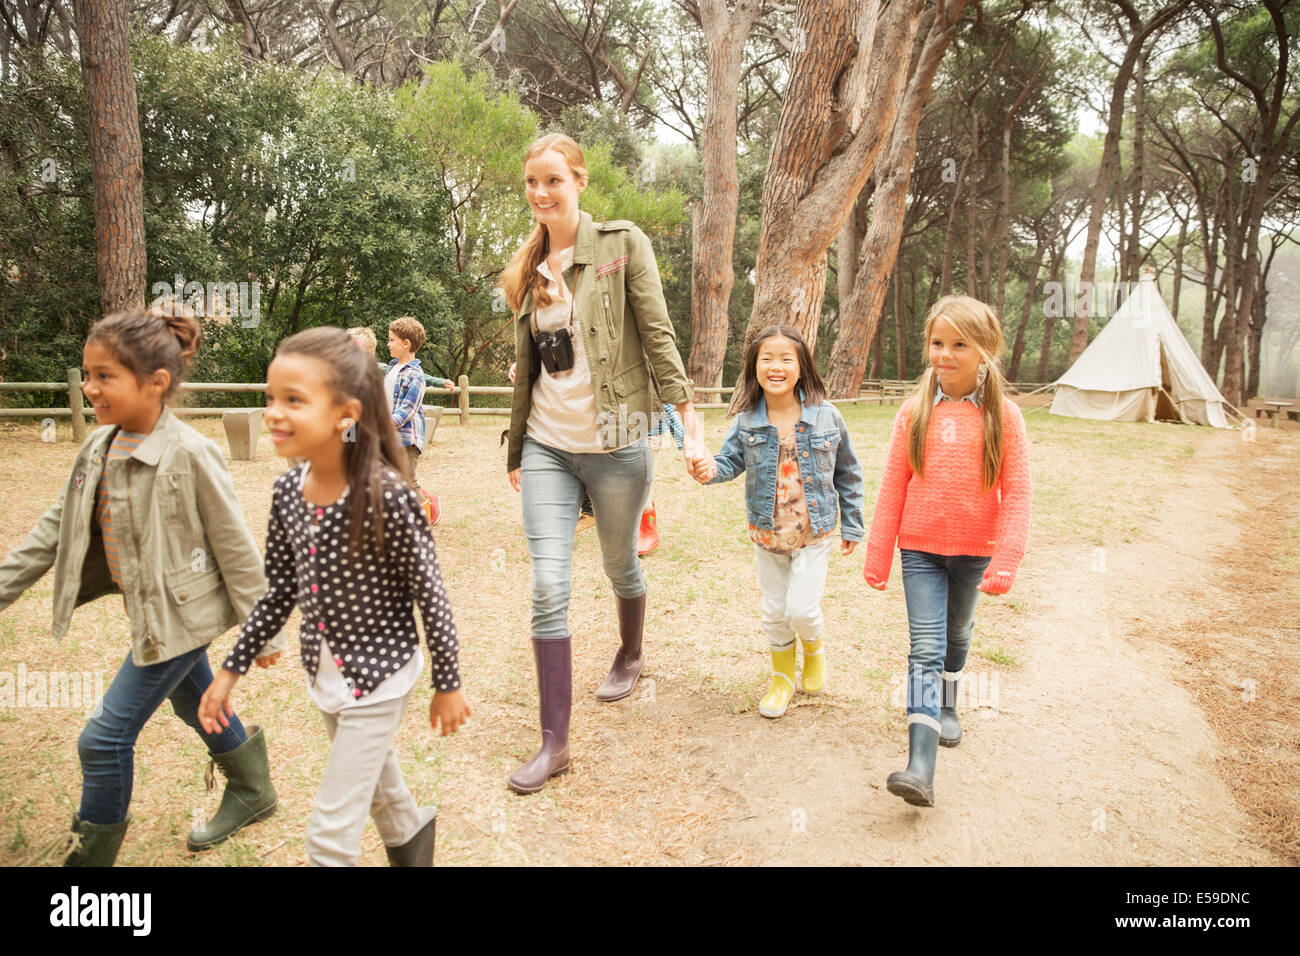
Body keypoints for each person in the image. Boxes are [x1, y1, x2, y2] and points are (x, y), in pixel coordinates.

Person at [0, 303, 281, 866]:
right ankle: (254, 790)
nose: (90, 387)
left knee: (101, 741)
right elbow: (52, 531)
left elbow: (235, 546)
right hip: (148, 612)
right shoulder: (97, 446)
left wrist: (264, 634)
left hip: (181, 620)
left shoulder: (191, 453)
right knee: (194, 700)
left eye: (105, 376)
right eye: (88, 374)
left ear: (155, 383)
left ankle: (86, 872)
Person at [198, 326, 471, 866]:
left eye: (294, 400)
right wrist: (230, 669)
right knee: (381, 793)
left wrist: (449, 684)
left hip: (381, 678)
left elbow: (431, 596)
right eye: (270, 397)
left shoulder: (387, 495)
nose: (275, 412)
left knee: (329, 835)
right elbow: (279, 592)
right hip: (326, 677)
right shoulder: (286, 493)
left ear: (345, 414)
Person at [499, 132, 710, 795]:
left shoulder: (622, 246)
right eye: (532, 182)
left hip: (618, 440)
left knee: (620, 561)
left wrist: (687, 419)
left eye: (553, 180)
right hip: (547, 447)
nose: (541, 193)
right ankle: (554, 742)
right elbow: (531, 365)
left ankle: (630, 651)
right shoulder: (524, 267)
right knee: (547, 584)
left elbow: (657, 332)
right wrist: (516, 446)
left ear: (580, 181)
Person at [862, 295, 1032, 808]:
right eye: (938, 342)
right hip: (920, 550)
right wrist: (879, 555)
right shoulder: (913, 413)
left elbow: (1018, 493)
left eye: (960, 344)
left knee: (957, 636)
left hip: (974, 551)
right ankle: (920, 767)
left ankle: (950, 704)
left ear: (985, 351)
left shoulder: (1005, 417)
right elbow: (894, 485)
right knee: (925, 647)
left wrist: (1006, 557)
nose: (946, 354)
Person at [694, 325, 864, 718]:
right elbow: (729, 462)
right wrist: (708, 470)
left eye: (786, 358)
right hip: (767, 533)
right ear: (754, 367)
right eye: (766, 358)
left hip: (814, 532)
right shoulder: (747, 419)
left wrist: (852, 525)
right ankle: (783, 677)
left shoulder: (827, 416)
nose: (776, 366)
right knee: (774, 611)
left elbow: (848, 473)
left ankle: (814, 648)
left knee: (802, 609)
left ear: (802, 368)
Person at [381, 317, 446, 525]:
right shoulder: (392, 369)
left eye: (392, 340)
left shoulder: (415, 374)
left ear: (406, 344)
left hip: (406, 438)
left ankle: (428, 509)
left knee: (407, 479)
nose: (388, 344)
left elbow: (408, 409)